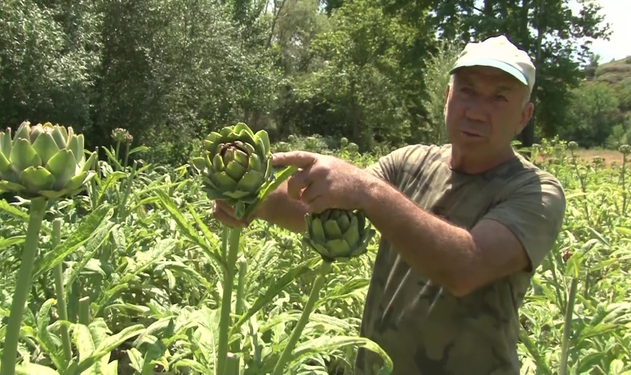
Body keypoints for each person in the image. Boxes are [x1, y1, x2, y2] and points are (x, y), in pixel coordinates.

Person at [212, 35, 566, 375]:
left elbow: (466, 267)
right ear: (447, 97)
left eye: (499, 98)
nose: (476, 111)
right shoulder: (409, 163)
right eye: (467, 91)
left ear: (524, 116)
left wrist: (367, 189)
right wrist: (250, 197)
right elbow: (322, 213)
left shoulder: (535, 192)